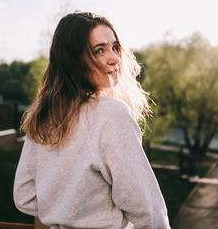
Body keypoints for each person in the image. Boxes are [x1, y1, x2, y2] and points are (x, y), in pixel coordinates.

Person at [13, 12, 170, 229]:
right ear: (74, 61)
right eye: (99, 50)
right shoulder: (112, 114)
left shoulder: (44, 116)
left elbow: (25, 195)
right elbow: (148, 211)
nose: (115, 58)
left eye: (115, 47)